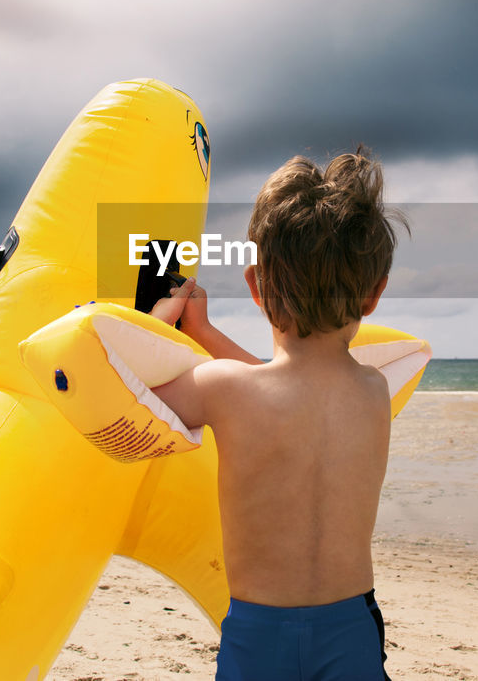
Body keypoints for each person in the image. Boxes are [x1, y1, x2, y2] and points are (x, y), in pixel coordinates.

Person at [150, 146, 403, 681]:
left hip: (258, 635)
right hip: (352, 628)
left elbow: (138, 394)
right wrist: (207, 336)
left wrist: (162, 318)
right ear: (375, 294)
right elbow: (293, 389)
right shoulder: (374, 390)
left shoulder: (224, 389)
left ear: (255, 285)